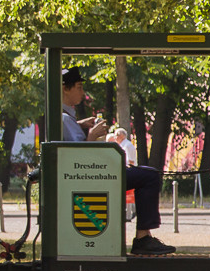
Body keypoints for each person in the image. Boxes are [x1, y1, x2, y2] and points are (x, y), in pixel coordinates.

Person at [61, 67, 171, 254]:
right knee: (150, 176)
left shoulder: (66, 118)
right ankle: (143, 238)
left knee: (146, 173)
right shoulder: (64, 119)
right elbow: (76, 155)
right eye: (79, 87)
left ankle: (144, 237)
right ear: (65, 88)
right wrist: (91, 136)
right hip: (91, 176)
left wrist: (80, 125)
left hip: (92, 173)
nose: (82, 92)